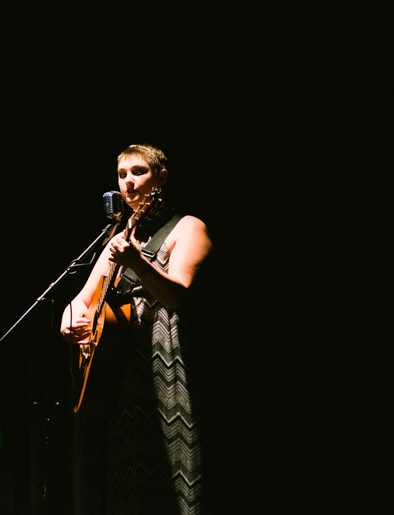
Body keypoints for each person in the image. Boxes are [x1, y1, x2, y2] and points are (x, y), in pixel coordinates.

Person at [58, 144, 237, 514]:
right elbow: (82, 299)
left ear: (161, 178)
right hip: (126, 377)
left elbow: (178, 295)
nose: (129, 183)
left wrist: (137, 262)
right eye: (122, 175)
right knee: (133, 483)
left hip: (174, 371)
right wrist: (69, 318)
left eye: (138, 172)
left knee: (181, 473)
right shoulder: (118, 238)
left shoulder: (188, 227)